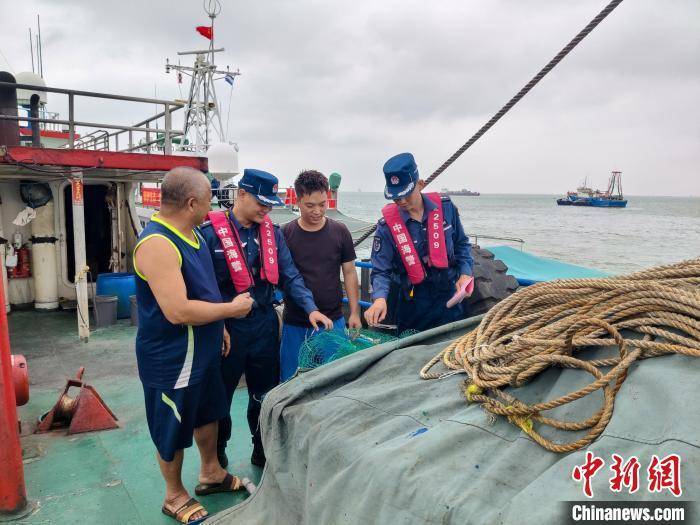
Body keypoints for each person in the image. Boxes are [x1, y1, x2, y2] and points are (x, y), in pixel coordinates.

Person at [133, 167, 254, 524]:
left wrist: (221, 325)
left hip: (204, 350)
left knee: (210, 412)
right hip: (172, 358)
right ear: (190, 203)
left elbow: (203, 291)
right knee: (170, 427)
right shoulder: (158, 244)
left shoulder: (194, 235)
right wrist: (231, 309)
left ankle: (211, 473)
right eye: (208, 200)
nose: (212, 206)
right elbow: (177, 310)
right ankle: (173, 495)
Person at [201, 168, 333, 469]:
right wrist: (219, 323)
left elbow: (290, 274)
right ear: (242, 194)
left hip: (262, 325)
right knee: (220, 395)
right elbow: (201, 285)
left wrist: (310, 307)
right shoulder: (210, 234)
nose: (266, 209)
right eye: (261, 202)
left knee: (264, 392)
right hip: (227, 328)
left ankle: (261, 450)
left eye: (270, 203)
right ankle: (217, 459)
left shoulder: (272, 235)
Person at [364, 153, 474, 334]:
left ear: (420, 184)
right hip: (413, 305)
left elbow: (462, 245)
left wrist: (465, 274)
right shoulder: (386, 228)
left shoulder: (446, 208)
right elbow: (381, 270)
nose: (402, 201)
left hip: (451, 297)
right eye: (396, 197)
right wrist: (379, 299)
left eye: (406, 194)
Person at [280, 170, 361, 382]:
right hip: (295, 322)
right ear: (297, 201)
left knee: (334, 382)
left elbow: (350, 271)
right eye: (310, 205)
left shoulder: (340, 231)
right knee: (291, 382)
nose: (317, 211)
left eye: (322, 204)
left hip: (333, 322)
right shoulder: (285, 233)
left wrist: (354, 312)